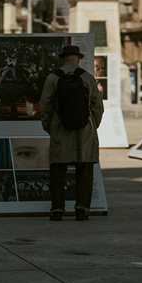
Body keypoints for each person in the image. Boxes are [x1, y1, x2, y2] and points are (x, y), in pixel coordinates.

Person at [40, 44, 103, 221]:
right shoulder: (87, 78)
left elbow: (45, 106)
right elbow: (97, 106)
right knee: (85, 168)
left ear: (62, 58)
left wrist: (50, 127)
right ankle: (82, 209)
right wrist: (92, 125)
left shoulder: (53, 78)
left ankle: (57, 209)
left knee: (58, 169)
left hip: (60, 128)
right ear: (78, 58)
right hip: (85, 130)